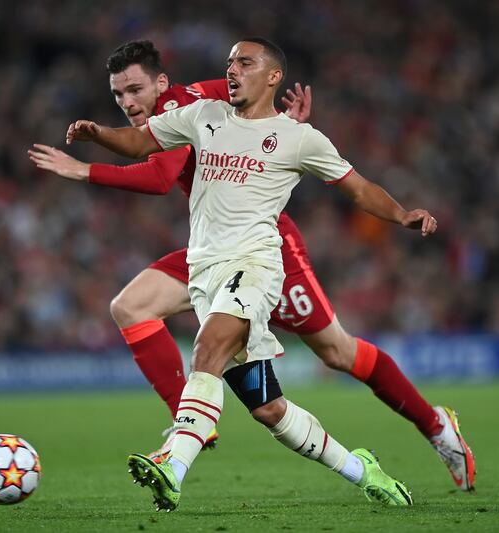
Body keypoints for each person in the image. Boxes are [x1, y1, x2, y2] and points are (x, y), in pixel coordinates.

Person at [29, 40, 475, 499]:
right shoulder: (203, 110)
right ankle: (192, 420)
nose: (127, 103)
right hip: (207, 256)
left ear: (161, 83)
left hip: (266, 253)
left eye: (134, 90)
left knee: (337, 353)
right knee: (137, 311)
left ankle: (435, 425)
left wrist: (85, 170)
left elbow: (160, 176)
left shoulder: (213, 107)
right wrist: (100, 134)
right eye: (118, 95)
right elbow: (148, 138)